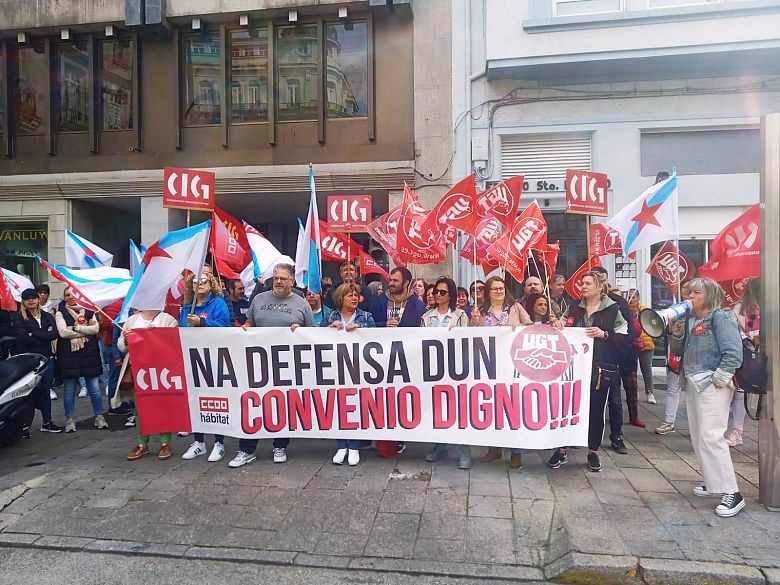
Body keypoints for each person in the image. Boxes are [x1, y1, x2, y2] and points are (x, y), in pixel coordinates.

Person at [669, 277, 745, 517]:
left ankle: (732, 492)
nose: (690, 296)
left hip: (712, 384)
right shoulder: (691, 320)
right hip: (695, 382)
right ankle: (714, 482)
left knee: (712, 436)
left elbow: (733, 352)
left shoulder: (720, 317)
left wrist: (719, 380)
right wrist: (677, 334)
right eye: (689, 292)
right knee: (700, 435)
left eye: (696, 293)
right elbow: (679, 351)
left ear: (710, 296)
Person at [231, 263, 315, 468]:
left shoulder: (302, 303)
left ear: (292, 281)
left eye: (283, 278)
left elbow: (312, 332)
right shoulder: (259, 299)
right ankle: (246, 450)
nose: (278, 281)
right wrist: (246, 328)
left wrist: (300, 331)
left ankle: (280, 446)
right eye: (276, 278)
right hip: (258, 363)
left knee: (282, 404)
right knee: (252, 404)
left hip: (288, 364)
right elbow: (250, 322)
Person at [548, 271, 628, 472]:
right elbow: (564, 324)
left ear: (600, 287)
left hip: (600, 368)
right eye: (582, 283)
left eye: (588, 283)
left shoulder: (613, 309)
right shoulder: (574, 306)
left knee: (595, 410)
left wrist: (604, 334)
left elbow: (624, 337)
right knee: (567, 408)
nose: (583, 286)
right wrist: (558, 324)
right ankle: (562, 449)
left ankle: (593, 451)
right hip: (573, 368)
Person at [471, 276, 531, 468]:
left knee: (514, 408)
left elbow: (530, 327)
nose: (499, 291)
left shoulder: (516, 307)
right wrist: (473, 322)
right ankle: (494, 449)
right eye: (495, 288)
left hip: (513, 365)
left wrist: (519, 328)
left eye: (501, 288)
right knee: (492, 407)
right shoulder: (480, 311)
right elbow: (470, 336)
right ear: (487, 292)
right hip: (490, 366)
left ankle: (516, 452)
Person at [370, 267, 426, 456]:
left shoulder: (417, 305)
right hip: (380, 360)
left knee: (402, 399)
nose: (391, 283)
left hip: (407, 360)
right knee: (383, 399)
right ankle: (383, 437)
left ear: (406, 283)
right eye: (390, 279)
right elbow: (368, 325)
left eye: (395, 280)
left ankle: (399, 437)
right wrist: (383, 325)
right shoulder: (379, 302)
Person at [321, 283, 376, 466]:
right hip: (335, 368)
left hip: (359, 369)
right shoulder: (331, 316)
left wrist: (361, 330)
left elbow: (377, 340)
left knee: (356, 406)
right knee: (339, 406)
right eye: (349, 295)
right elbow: (316, 338)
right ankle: (341, 446)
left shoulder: (366, 317)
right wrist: (329, 328)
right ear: (340, 298)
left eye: (355, 295)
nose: (354, 298)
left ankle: (353, 446)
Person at [113, 308, 179, 461]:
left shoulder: (168, 319)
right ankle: (142, 443)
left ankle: (165, 442)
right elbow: (121, 346)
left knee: (161, 405)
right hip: (137, 369)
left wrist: (157, 335)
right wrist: (126, 339)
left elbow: (173, 342)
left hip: (160, 369)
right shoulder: (132, 320)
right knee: (139, 407)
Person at [179, 271, 231, 463]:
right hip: (193, 359)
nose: (199, 283)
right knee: (195, 400)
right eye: (195, 281)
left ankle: (219, 443)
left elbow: (225, 327)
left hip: (214, 358)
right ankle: (199, 442)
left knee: (216, 401)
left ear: (211, 284)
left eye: (203, 281)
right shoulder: (187, 307)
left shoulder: (218, 304)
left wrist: (202, 322)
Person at [421, 277, 471, 469]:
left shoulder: (460, 315)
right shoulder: (426, 317)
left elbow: (466, 340)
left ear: (450, 295)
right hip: (433, 367)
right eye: (436, 292)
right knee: (438, 408)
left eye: (442, 292)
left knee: (457, 408)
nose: (438, 295)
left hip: (455, 367)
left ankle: (464, 449)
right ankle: (440, 444)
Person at [591, 266, 643, 433]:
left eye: (601, 277)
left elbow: (628, 330)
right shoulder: (586, 302)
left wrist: (622, 348)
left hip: (620, 354)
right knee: (603, 397)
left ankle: (623, 428)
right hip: (598, 357)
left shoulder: (618, 302)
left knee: (623, 393)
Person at [55, 286, 107, 433]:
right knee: (69, 390)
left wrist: (75, 328)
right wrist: (85, 330)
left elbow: (95, 329)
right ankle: (70, 420)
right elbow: (63, 332)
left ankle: (99, 416)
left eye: (73, 294)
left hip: (89, 354)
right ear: (64, 297)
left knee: (94, 389)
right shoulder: (60, 312)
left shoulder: (89, 311)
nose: (71, 297)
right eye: (67, 295)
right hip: (68, 355)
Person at [12, 288, 63, 433]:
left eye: (33, 297)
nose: (31, 300)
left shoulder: (47, 316)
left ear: (38, 299)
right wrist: (43, 335)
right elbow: (23, 338)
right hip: (28, 360)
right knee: (26, 393)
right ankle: (23, 426)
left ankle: (47, 422)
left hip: (47, 358)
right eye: (27, 298)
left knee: (45, 390)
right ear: (23, 301)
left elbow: (54, 334)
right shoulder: (19, 318)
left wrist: (34, 333)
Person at [655, 279, 692, 435]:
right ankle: (669, 421)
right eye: (684, 287)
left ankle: (697, 425)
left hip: (692, 356)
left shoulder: (702, 313)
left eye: (690, 288)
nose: (686, 290)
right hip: (674, 353)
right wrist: (671, 328)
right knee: (672, 389)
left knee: (693, 392)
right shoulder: (675, 309)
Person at [725, 278, 760, 447]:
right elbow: (733, 330)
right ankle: (737, 431)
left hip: (769, 356)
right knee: (740, 392)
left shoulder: (772, 307)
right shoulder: (739, 308)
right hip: (746, 356)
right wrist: (749, 338)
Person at [627, 290, 656, 405]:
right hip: (631, 345)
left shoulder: (645, 310)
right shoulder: (626, 311)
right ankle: (635, 392)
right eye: (629, 297)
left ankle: (650, 393)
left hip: (646, 345)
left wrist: (650, 339)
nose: (631, 300)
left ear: (638, 298)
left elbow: (653, 326)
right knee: (632, 371)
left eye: (634, 297)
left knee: (647, 370)